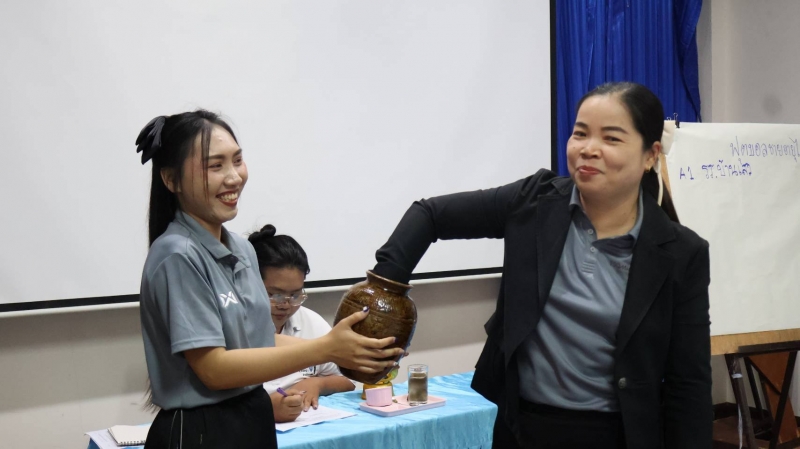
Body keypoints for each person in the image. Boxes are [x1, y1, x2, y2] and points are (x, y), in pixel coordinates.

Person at [369, 82, 712, 449]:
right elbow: (430, 215)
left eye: (611, 138)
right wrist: (382, 295)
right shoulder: (533, 202)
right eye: (580, 133)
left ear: (650, 155)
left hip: (618, 435)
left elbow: (688, 384)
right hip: (519, 427)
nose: (588, 149)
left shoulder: (681, 253)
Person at [136, 110, 402, 449]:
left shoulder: (243, 250)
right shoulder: (177, 255)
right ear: (171, 180)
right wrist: (325, 348)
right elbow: (214, 369)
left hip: (252, 417)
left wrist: (346, 348)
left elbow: (259, 340)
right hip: (200, 432)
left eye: (237, 160)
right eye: (215, 166)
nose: (234, 177)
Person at [247, 224, 355, 423]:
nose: (286, 305)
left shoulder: (310, 321)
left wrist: (317, 384)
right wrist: (267, 408)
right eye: (275, 295)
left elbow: (348, 381)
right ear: (249, 284)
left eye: (296, 295)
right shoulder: (235, 328)